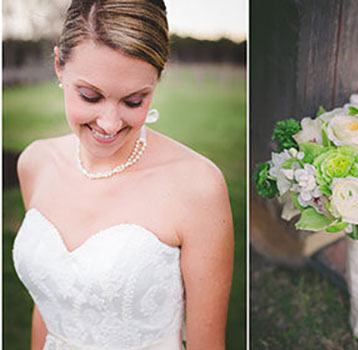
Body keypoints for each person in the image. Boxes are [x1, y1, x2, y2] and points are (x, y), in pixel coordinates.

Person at [13, 1, 234, 349]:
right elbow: (48, 306)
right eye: (90, 96)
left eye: (134, 101)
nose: (110, 123)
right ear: (59, 65)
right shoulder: (35, 163)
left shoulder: (198, 186)